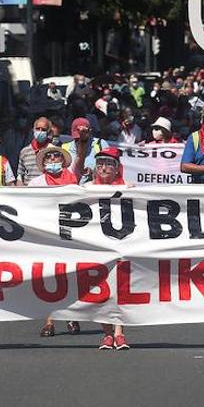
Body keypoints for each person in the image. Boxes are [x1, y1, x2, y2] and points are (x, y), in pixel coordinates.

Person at [27, 145, 81, 338]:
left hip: (68, 233)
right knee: (49, 278)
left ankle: (71, 315)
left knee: (70, 276)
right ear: (43, 162)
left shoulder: (72, 180)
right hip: (46, 236)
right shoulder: (36, 183)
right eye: (48, 157)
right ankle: (49, 321)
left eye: (56, 156)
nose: (52, 159)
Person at [89, 148, 131, 350]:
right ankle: (106, 333)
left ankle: (119, 332)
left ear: (116, 169)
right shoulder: (86, 188)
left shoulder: (128, 188)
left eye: (109, 164)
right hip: (96, 246)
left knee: (120, 290)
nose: (104, 168)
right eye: (100, 164)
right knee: (100, 291)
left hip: (120, 245)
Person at [17, 116, 57, 185]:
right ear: (33, 130)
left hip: (47, 191)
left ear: (48, 132)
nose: (40, 132)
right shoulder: (24, 151)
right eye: (38, 129)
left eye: (43, 130)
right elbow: (20, 176)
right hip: (29, 192)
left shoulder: (54, 151)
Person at [67, 117, 104, 182]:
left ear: (90, 132)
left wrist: (93, 172)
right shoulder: (65, 147)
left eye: (83, 139)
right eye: (77, 138)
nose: (80, 141)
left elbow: (110, 169)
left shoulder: (100, 144)